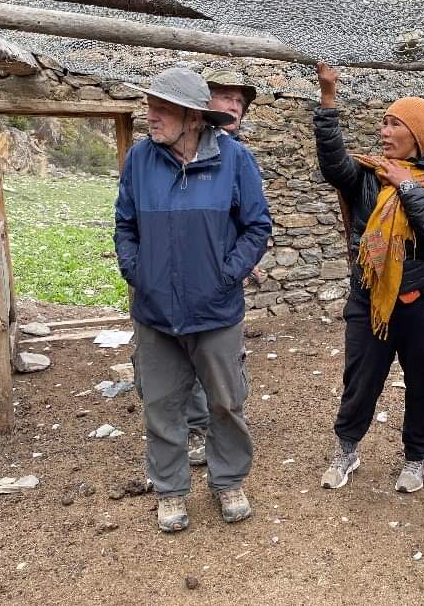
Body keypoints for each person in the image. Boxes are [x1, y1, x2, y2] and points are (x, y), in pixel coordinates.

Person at [114, 67, 272, 532]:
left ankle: (228, 481)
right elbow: (125, 225)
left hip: (216, 311)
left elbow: (257, 226)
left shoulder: (235, 160)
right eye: (149, 107)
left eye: (161, 109)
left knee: (225, 402)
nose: (151, 117)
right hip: (155, 312)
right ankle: (170, 491)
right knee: (161, 405)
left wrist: (226, 274)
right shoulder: (141, 159)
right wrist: (137, 271)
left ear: (193, 117)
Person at [313, 62, 424, 494]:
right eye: (384, 122)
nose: (384, 132)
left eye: (395, 124)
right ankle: (346, 449)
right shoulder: (368, 175)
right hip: (370, 302)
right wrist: (328, 99)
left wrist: (407, 187)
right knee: (360, 378)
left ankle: (416, 458)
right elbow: (332, 164)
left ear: (418, 135)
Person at [182, 68, 262, 466]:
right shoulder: (175, 151)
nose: (234, 106)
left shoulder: (238, 156)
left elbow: (250, 220)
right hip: (177, 277)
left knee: (224, 356)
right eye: (226, 97)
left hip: (220, 279)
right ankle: (198, 428)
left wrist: (239, 263)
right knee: (186, 354)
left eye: (239, 102)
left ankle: (223, 427)